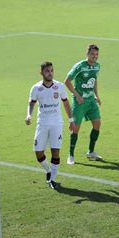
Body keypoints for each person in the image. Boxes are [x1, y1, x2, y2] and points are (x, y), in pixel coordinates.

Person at [26, 62, 75, 190]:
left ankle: (52, 179)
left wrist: (71, 120)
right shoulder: (36, 88)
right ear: (41, 73)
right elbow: (31, 103)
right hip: (42, 123)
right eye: (47, 71)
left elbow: (66, 103)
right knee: (38, 152)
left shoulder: (59, 86)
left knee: (55, 152)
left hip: (56, 124)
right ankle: (48, 170)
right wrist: (29, 115)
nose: (50, 73)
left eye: (52, 70)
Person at [65, 44, 102, 165]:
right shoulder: (80, 66)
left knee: (97, 124)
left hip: (91, 101)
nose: (94, 56)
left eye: (96, 54)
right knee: (75, 128)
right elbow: (67, 81)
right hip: (80, 102)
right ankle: (71, 155)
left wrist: (96, 95)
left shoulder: (97, 66)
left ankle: (91, 151)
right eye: (92, 54)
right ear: (87, 54)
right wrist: (77, 95)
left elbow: (94, 80)